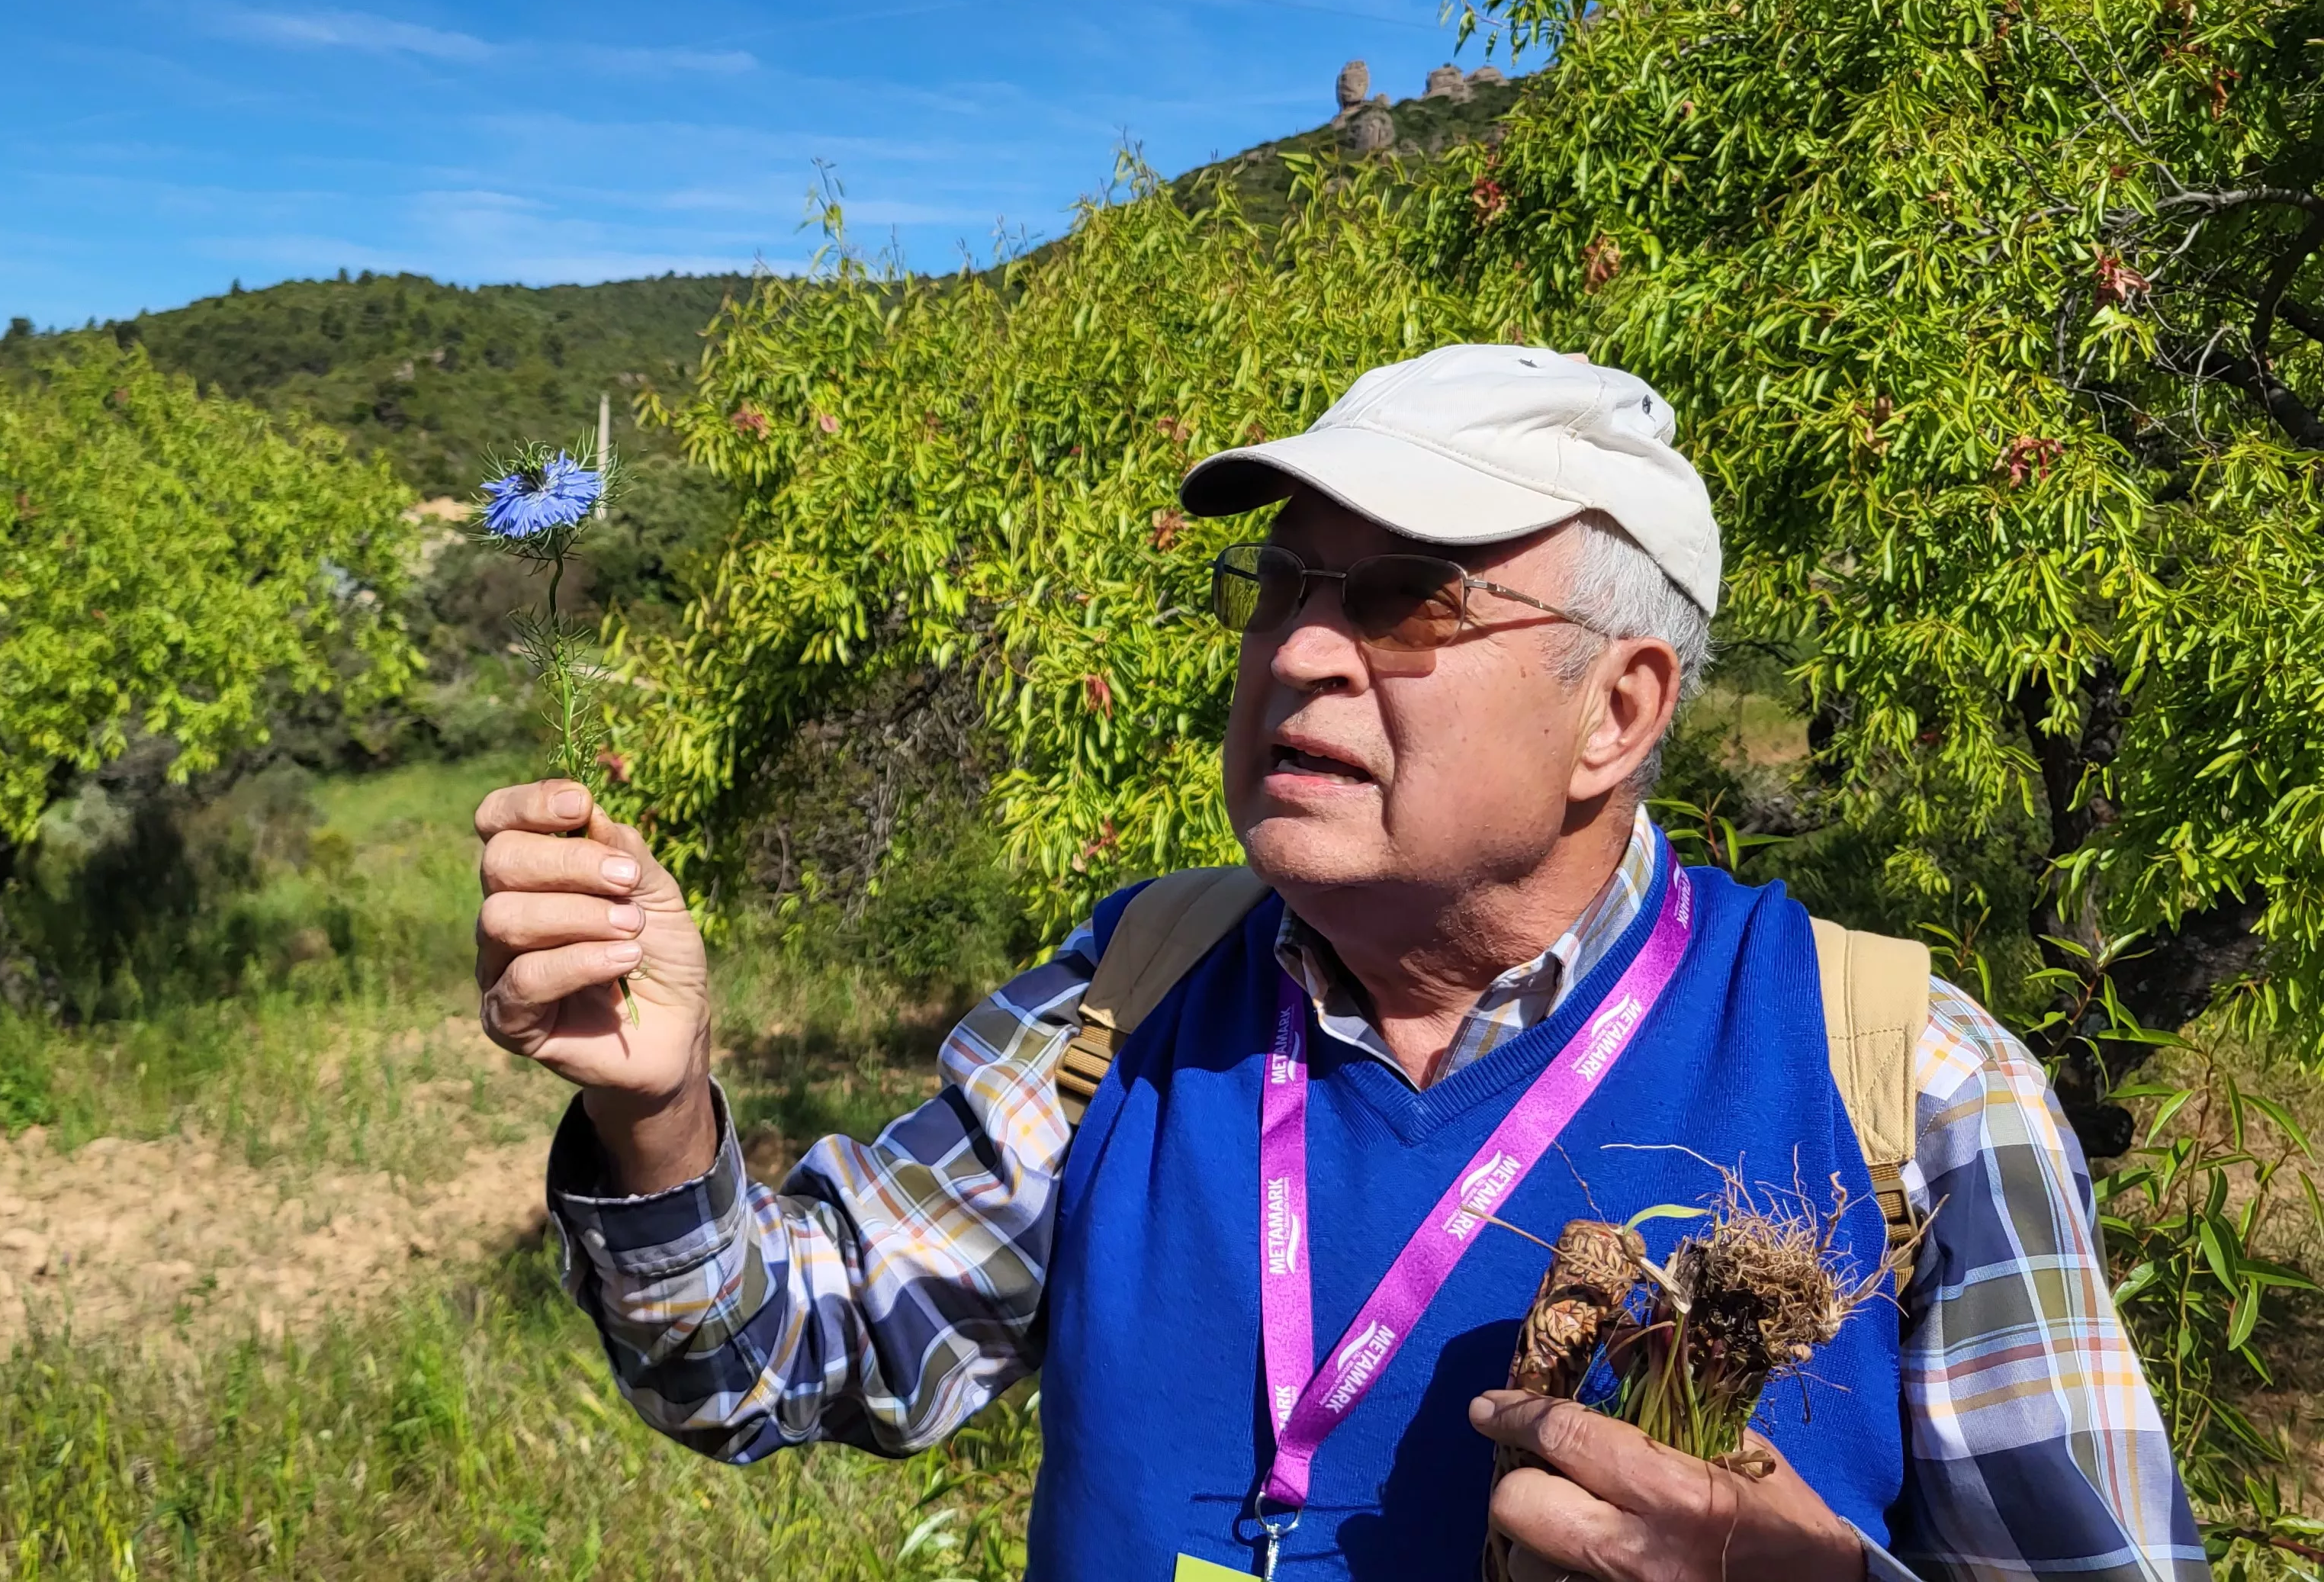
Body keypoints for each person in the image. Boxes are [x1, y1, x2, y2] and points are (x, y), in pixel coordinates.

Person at [471, 346, 2203, 1581]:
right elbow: (773, 1363)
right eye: (1282, 583)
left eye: (1408, 601)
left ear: (1617, 709)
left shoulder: (1905, 1074)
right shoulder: (1130, 992)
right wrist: (661, 1117)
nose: (1296, 649)